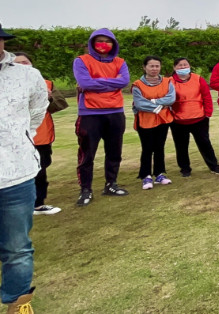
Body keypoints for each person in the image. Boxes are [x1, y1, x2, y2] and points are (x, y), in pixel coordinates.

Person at [0, 26, 48, 313]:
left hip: (15, 175)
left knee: (17, 249)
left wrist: (20, 137)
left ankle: (17, 305)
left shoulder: (27, 75)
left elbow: (38, 108)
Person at [73, 28, 130, 206]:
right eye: (99, 40)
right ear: (92, 43)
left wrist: (96, 83)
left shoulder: (120, 62)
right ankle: (85, 190)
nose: (103, 44)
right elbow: (84, 83)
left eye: (107, 41)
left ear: (113, 44)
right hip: (90, 113)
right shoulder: (82, 61)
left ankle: (111, 184)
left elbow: (124, 81)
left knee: (114, 152)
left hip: (115, 112)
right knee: (87, 154)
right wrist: (111, 83)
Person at [13, 53, 68, 215]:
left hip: (41, 135)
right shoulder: (6, 85)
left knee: (41, 168)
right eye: (18, 63)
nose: (23, 65)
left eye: (25, 62)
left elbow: (60, 104)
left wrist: (48, 99)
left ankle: (38, 204)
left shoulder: (46, 84)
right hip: (15, 137)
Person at [170, 58, 219, 177]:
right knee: (181, 146)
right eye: (180, 65)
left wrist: (208, 114)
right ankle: (185, 169)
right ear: (174, 68)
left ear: (189, 66)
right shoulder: (169, 81)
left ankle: (214, 166)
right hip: (178, 121)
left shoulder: (198, 79)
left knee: (205, 144)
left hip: (199, 119)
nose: (183, 67)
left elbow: (206, 97)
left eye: (185, 65)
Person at [132, 56, 176, 190]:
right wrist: (159, 106)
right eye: (151, 66)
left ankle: (159, 174)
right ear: (144, 67)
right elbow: (139, 104)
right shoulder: (137, 85)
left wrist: (151, 101)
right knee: (147, 148)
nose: (154, 69)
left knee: (159, 147)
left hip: (163, 120)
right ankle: (145, 175)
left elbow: (171, 98)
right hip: (145, 120)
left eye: (157, 66)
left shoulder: (168, 81)